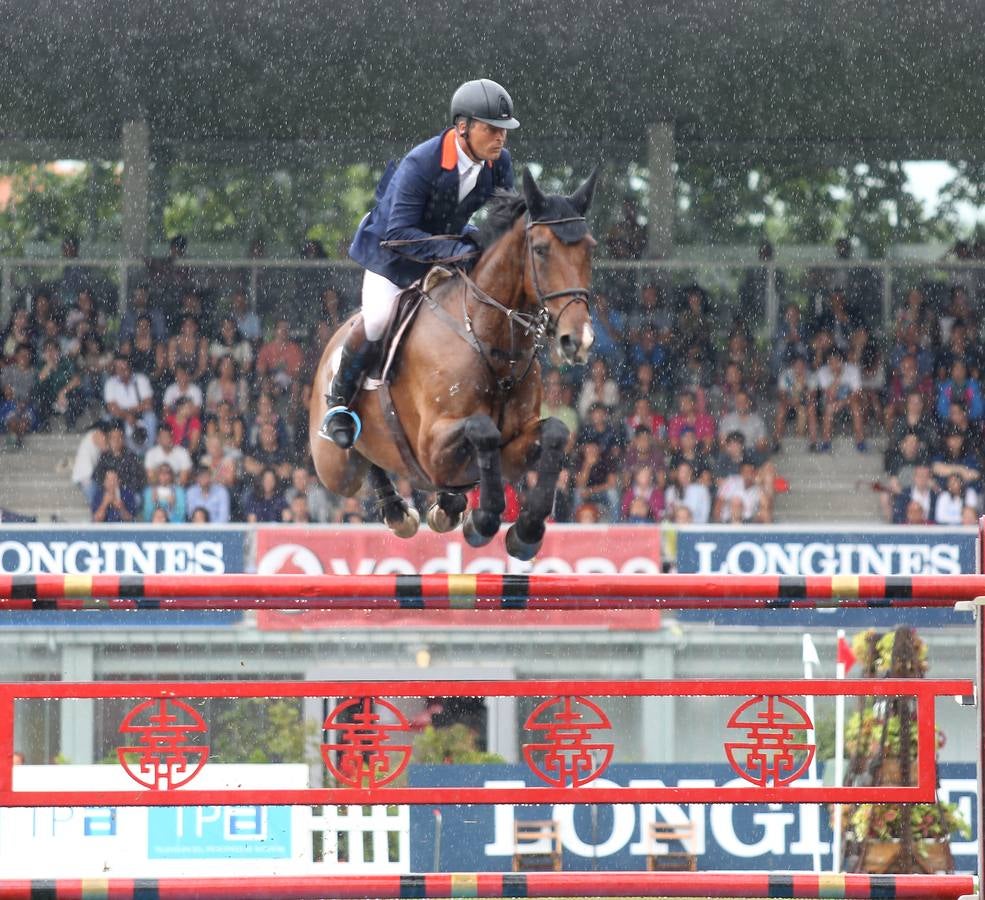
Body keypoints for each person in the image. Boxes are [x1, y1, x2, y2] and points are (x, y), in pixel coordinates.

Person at [321, 78, 518, 448]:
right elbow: (400, 234)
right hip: (393, 255)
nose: (500, 138)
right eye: (491, 129)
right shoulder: (422, 163)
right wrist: (458, 251)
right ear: (463, 127)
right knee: (378, 320)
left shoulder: (497, 163)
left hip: (449, 249)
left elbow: (504, 220)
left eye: (504, 130)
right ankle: (339, 401)